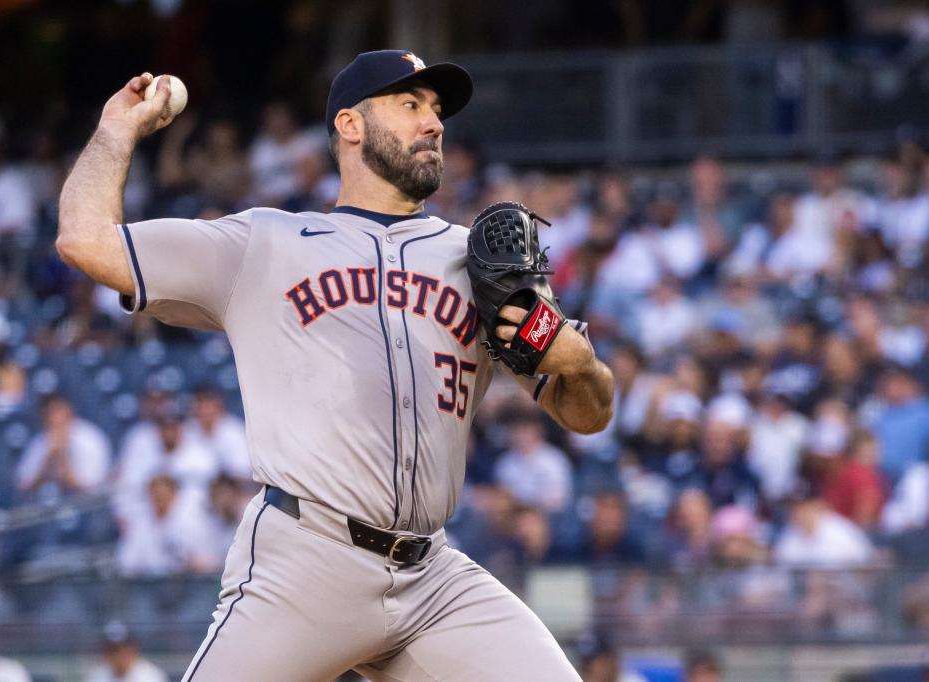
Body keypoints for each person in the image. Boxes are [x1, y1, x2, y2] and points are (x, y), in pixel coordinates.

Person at [57, 50, 613, 681]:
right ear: (350, 125)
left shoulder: (475, 261)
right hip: (305, 563)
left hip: (430, 576)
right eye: (410, 105)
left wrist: (581, 361)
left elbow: (588, 413)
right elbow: (84, 239)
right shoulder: (262, 243)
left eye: (436, 111)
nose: (433, 123)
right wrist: (115, 132)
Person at [84, 622, 168, 682]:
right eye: (113, 650)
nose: (118, 655)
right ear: (105, 653)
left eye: (123, 649)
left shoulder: (151, 676)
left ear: (133, 650)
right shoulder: (96, 676)